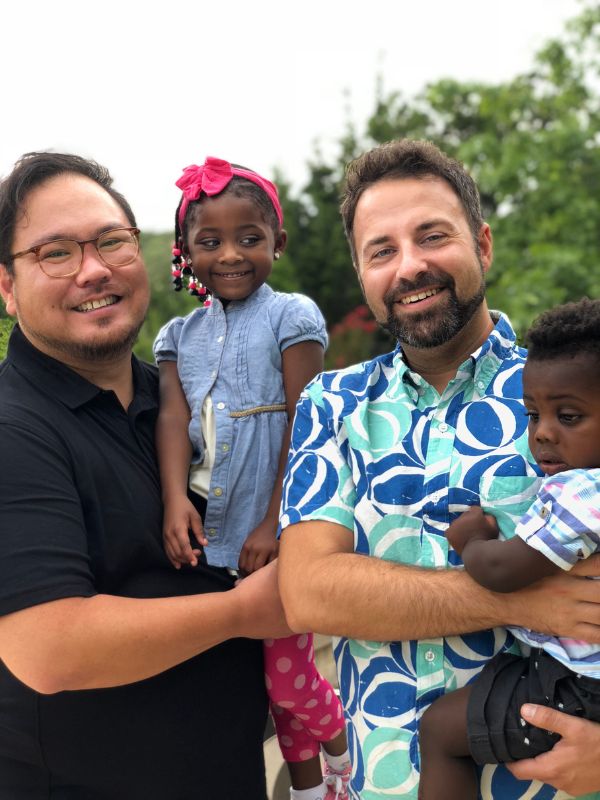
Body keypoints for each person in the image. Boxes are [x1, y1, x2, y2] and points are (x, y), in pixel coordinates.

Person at [277, 139, 600, 799]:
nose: (410, 266)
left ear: (482, 245)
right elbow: (309, 591)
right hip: (381, 782)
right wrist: (522, 597)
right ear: (362, 273)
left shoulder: (574, 397)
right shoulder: (332, 405)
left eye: (432, 236)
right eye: (383, 250)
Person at [0, 151, 293, 800]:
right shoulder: (14, 428)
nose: (94, 269)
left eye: (111, 242)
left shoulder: (180, 399)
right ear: (7, 286)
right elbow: (49, 648)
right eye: (55, 253)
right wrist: (244, 612)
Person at [153, 156, 351, 800]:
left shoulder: (291, 316)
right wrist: (172, 503)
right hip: (209, 536)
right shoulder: (177, 336)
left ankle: (347, 751)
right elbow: (174, 418)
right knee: (261, 681)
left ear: (277, 242)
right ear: (186, 250)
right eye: (210, 242)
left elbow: (307, 423)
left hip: (274, 532)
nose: (230, 255)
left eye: (250, 238)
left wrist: (276, 523)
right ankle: (306, 790)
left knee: (289, 681)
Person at [418, 297, 600, 799]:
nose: (542, 432)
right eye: (533, 413)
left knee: (439, 731)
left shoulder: (584, 493)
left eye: (568, 415)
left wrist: (473, 540)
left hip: (579, 689)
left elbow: (504, 571)